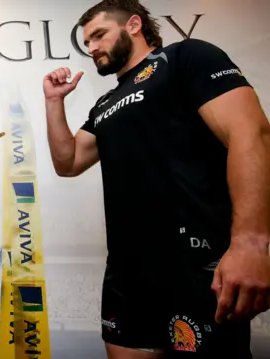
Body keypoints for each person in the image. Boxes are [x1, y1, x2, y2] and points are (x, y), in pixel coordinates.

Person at [43, 0, 270, 358]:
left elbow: (250, 133)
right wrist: (54, 102)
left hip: (195, 267)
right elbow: (68, 161)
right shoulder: (105, 103)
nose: (92, 48)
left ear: (134, 25)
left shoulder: (185, 58)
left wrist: (251, 244)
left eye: (99, 35)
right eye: (86, 43)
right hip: (126, 273)